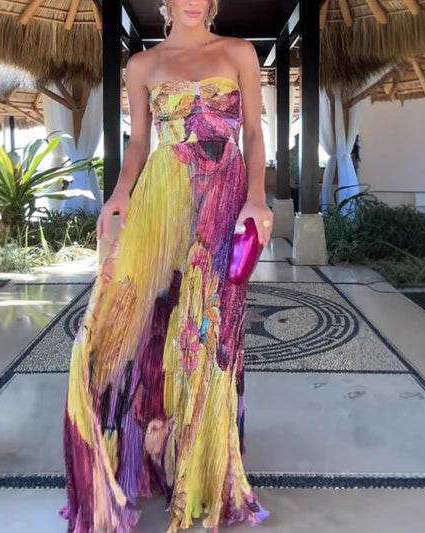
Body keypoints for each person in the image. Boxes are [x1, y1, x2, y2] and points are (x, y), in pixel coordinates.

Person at [59, 1, 273, 531]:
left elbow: (252, 132)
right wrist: (120, 193)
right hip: (163, 195)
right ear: (166, 2)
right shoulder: (142, 65)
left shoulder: (239, 53)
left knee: (209, 332)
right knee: (120, 323)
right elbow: (138, 142)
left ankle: (204, 468)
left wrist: (257, 197)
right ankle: (136, 452)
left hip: (224, 198)